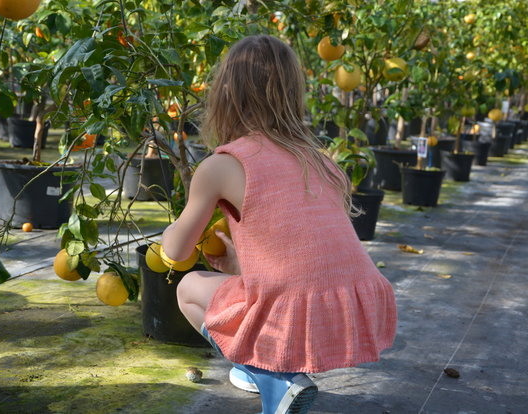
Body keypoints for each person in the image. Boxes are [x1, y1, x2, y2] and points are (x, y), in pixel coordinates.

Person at [161, 34, 397, 414]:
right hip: (347, 306)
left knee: (189, 287)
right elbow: (305, 247)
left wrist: (171, 230)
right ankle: (261, 373)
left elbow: (175, 253)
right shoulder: (321, 161)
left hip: (291, 312)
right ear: (292, 94)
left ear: (225, 94)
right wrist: (240, 266)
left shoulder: (223, 165)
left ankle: (274, 379)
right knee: (251, 291)